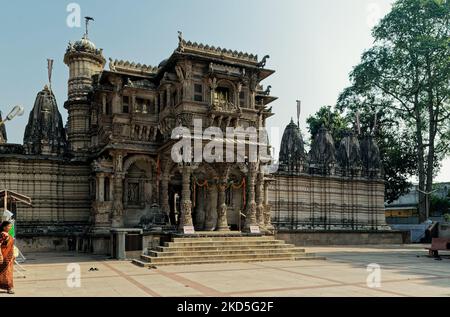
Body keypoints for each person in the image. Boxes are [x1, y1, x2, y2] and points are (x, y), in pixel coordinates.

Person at [0, 221, 15, 294]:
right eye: (9, 226)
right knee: (5, 272)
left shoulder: (8, 234)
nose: (10, 227)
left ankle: (8, 287)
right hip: (4, 256)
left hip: (9, 257)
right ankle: (9, 287)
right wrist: (0, 255)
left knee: (8, 272)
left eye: (11, 226)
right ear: (4, 227)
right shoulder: (3, 234)